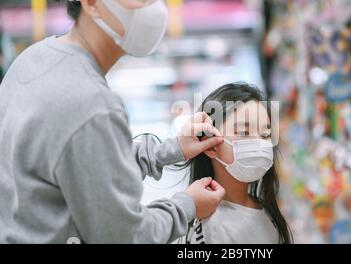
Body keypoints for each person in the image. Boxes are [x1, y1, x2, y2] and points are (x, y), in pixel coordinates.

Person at [0, 0, 225, 243]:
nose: (154, 8)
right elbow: (124, 236)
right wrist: (187, 205)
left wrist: (170, 150)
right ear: (91, 3)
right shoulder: (92, 104)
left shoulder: (36, 56)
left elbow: (85, 165)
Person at [179, 83, 292, 244]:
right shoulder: (212, 227)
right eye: (243, 132)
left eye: (265, 134)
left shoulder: (263, 207)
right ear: (209, 145)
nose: (259, 143)